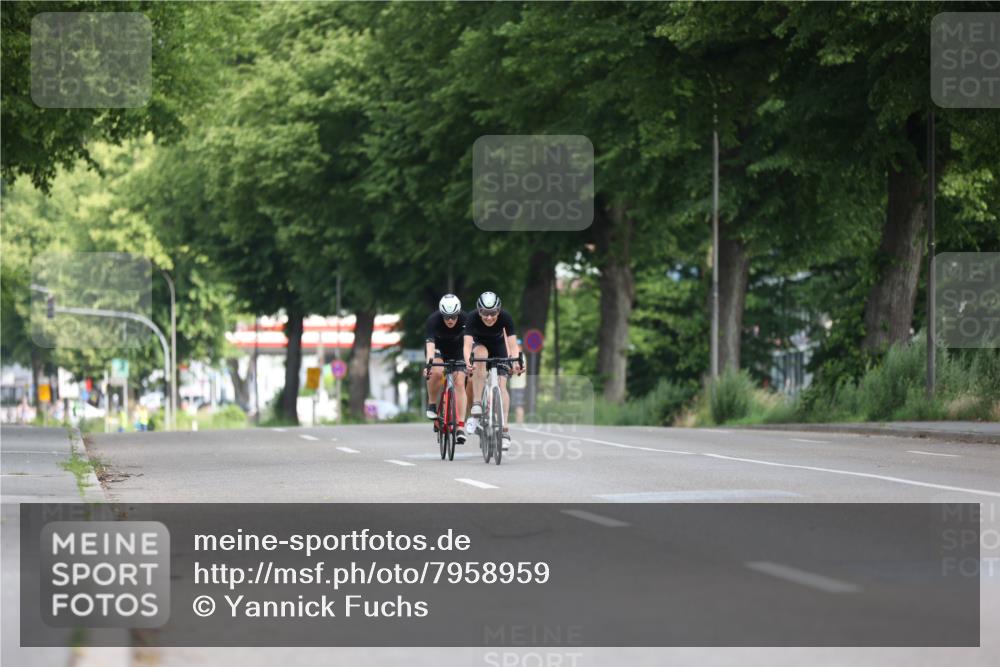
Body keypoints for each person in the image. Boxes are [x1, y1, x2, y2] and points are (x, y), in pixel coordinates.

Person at [463, 291, 523, 451]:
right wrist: (468, 361)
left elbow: (512, 345)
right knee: (480, 354)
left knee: (502, 386)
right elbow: (467, 346)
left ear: (499, 310)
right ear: (478, 311)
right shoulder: (472, 317)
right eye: (484, 313)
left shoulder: (506, 317)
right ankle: (477, 403)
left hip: (499, 348)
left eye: (493, 313)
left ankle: (504, 431)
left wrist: (516, 362)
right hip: (479, 345)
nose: (489, 317)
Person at [424, 294, 468, 444]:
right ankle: (432, 404)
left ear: (459, 313)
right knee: (436, 371)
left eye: (454, 316)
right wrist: (429, 365)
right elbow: (430, 346)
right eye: (447, 316)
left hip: (458, 350)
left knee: (460, 382)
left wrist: (469, 362)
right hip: (438, 349)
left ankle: (461, 426)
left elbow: (470, 344)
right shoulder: (433, 320)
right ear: (441, 313)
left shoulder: (466, 319)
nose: (450, 320)